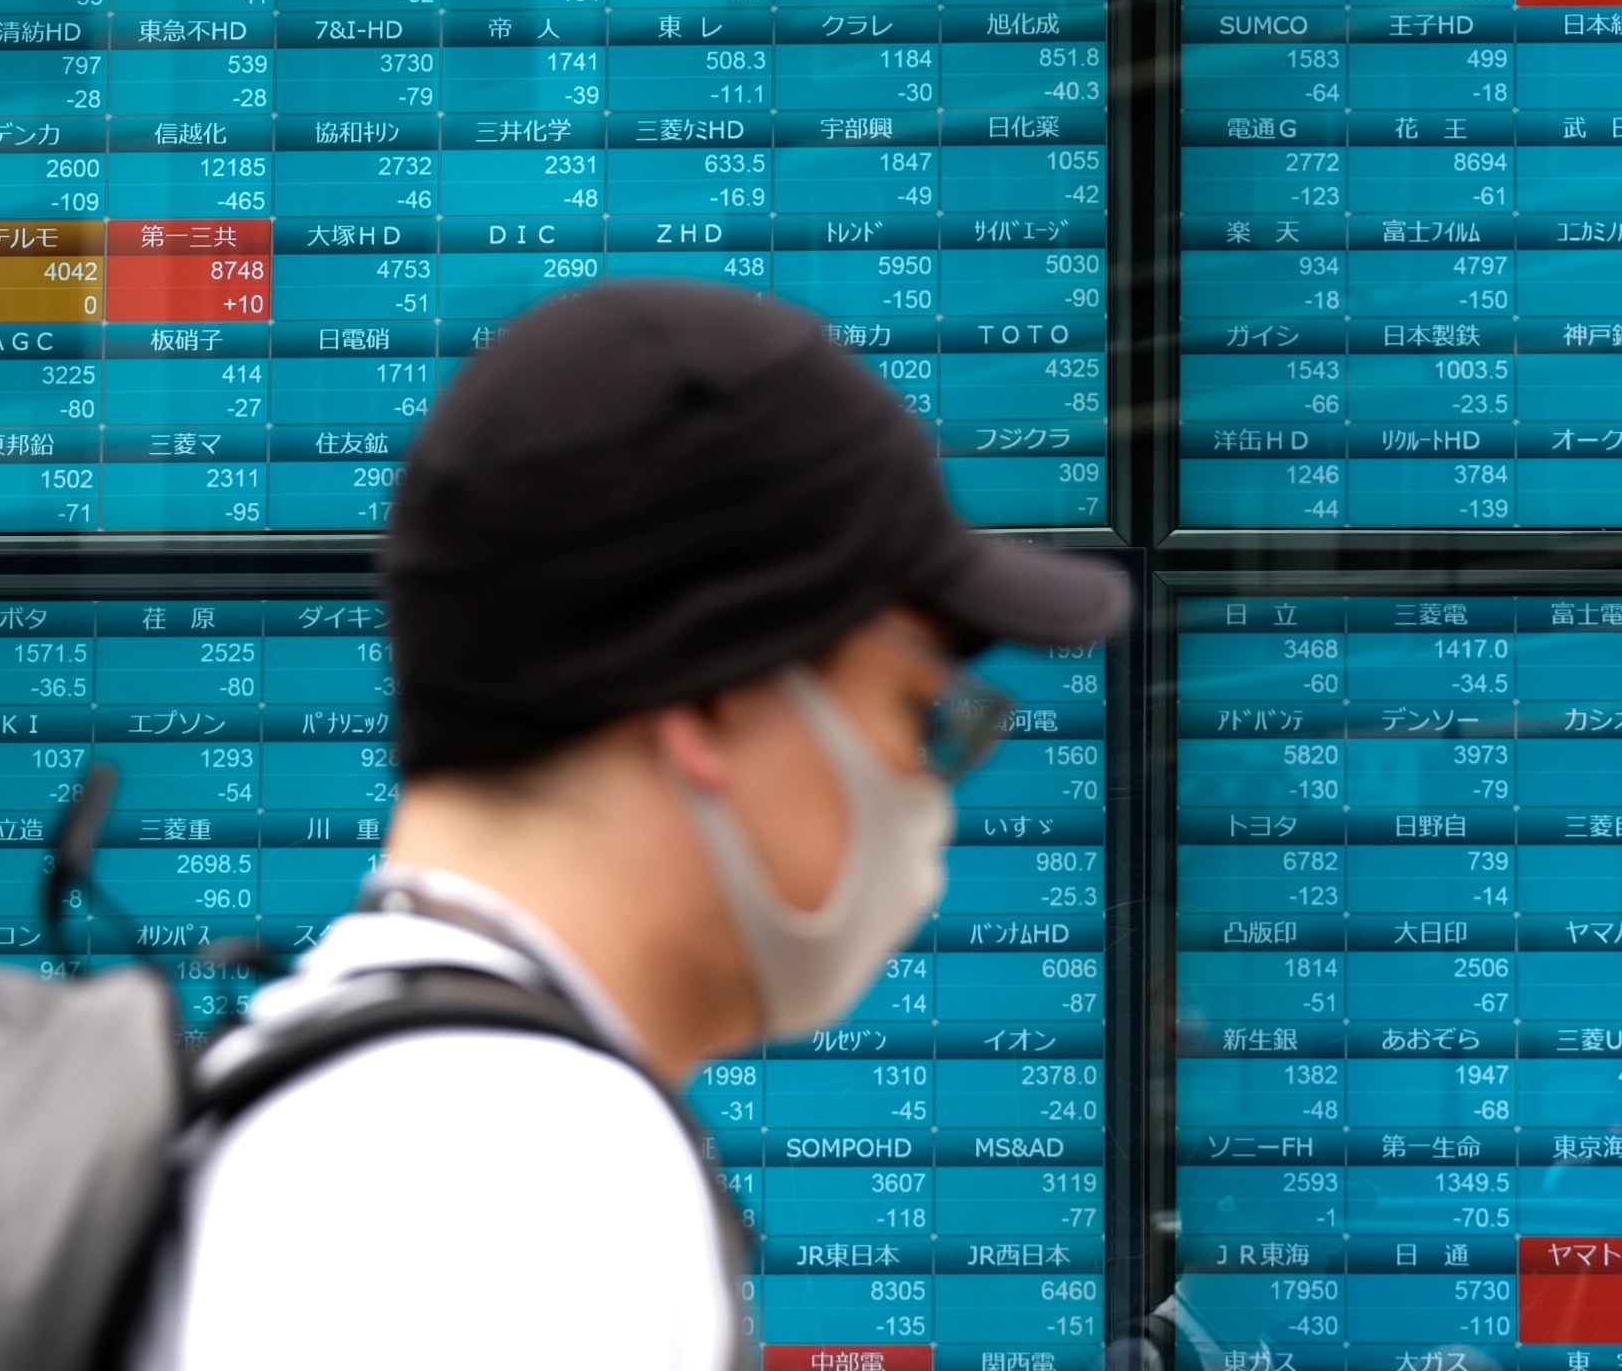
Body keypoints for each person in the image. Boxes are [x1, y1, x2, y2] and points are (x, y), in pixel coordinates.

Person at [130, 280, 1131, 1371]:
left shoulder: (332, 1089)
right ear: (715, 700)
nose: (931, 785)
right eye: (919, 712)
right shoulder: (516, 1176)